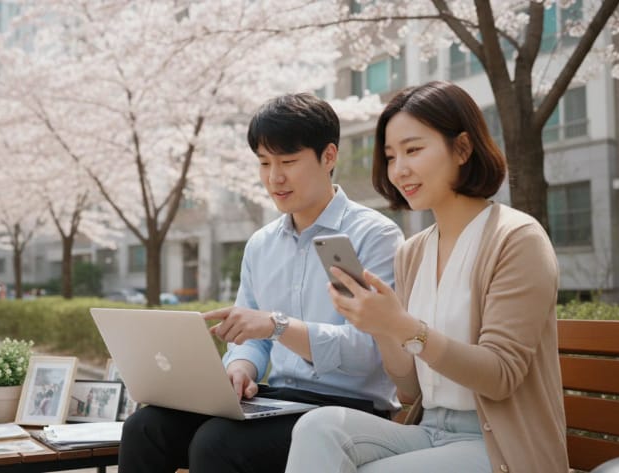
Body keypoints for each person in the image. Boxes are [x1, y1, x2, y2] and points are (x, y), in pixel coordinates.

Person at [285, 81, 568, 473]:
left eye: (414, 150)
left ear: (463, 148)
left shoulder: (516, 239)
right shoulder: (413, 251)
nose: (400, 170)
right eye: (390, 156)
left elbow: (501, 376)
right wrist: (382, 327)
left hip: (501, 444)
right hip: (430, 431)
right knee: (318, 427)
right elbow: (411, 390)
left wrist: (403, 325)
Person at [118, 93, 405, 473]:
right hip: (277, 401)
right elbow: (251, 340)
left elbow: (370, 352)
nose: (275, 178)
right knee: (146, 426)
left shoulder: (374, 236)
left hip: (348, 407)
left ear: (329, 156)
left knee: (218, 443)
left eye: (288, 162)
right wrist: (240, 369)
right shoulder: (262, 244)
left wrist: (277, 326)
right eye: (264, 163)